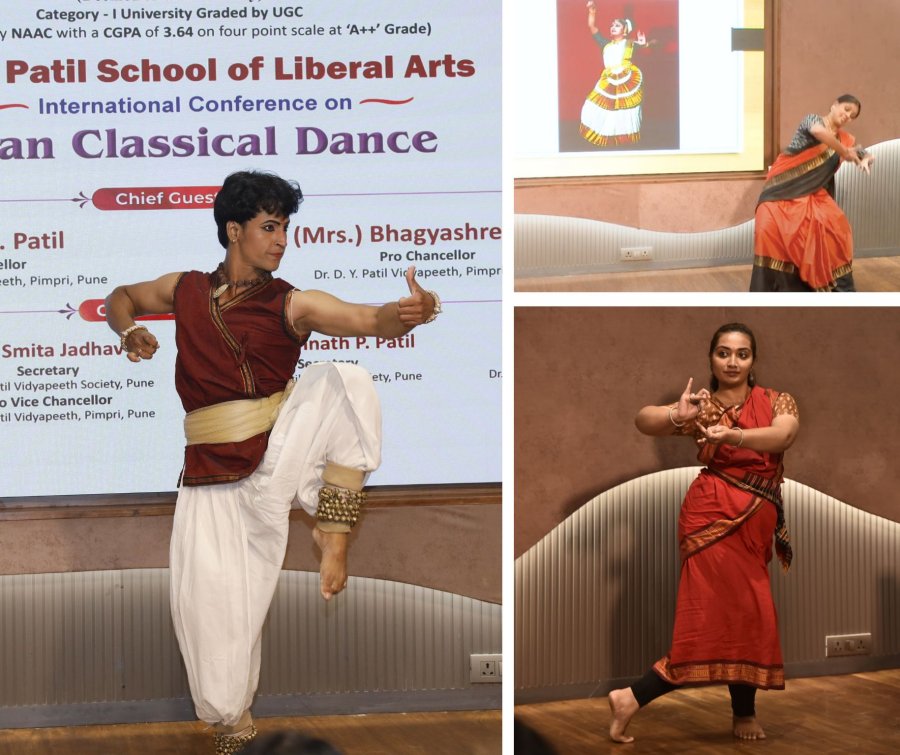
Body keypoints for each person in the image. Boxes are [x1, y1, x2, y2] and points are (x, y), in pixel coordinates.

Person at [104, 170, 440, 754]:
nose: (281, 239)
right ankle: (234, 733)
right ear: (233, 230)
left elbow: (370, 320)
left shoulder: (293, 302)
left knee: (346, 381)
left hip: (274, 457)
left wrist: (413, 310)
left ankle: (333, 534)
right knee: (212, 623)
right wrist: (129, 329)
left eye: (284, 227)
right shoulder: (184, 289)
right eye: (268, 226)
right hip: (208, 478)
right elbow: (121, 297)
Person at [607, 323, 799, 743]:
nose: (732, 362)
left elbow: (784, 434)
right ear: (711, 358)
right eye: (724, 353)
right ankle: (637, 697)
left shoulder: (776, 400)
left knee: (747, 613)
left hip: (755, 518)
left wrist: (735, 436)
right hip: (711, 516)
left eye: (742, 354)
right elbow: (644, 420)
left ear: (753, 360)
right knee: (711, 618)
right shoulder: (702, 407)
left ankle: (645, 700)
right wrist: (678, 415)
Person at [750, 94, 875, 291]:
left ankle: (833, 287)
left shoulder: (845, 140)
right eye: (846, 109)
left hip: (813, 195)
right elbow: (819, 133)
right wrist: (844, 152)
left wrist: (867, 157)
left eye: (852, 116)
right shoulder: (812, 120)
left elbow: (861, 152)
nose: (847, 116)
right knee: (768, 229)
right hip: (780, 191)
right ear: (834, 105)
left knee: (838, 228)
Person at [579, 1, 648, 147]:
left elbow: (652, 43)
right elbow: (592, 27)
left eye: (617, 25)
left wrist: (646, 43)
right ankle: (609, 139)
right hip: (609, 81)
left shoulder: (630, 44)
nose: (612, 27)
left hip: (626, 82)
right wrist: (592, 11)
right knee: (599, 109)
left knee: (625, 112)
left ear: (625, 31)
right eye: (612, 25)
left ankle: (626, 143)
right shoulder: (605, 44)